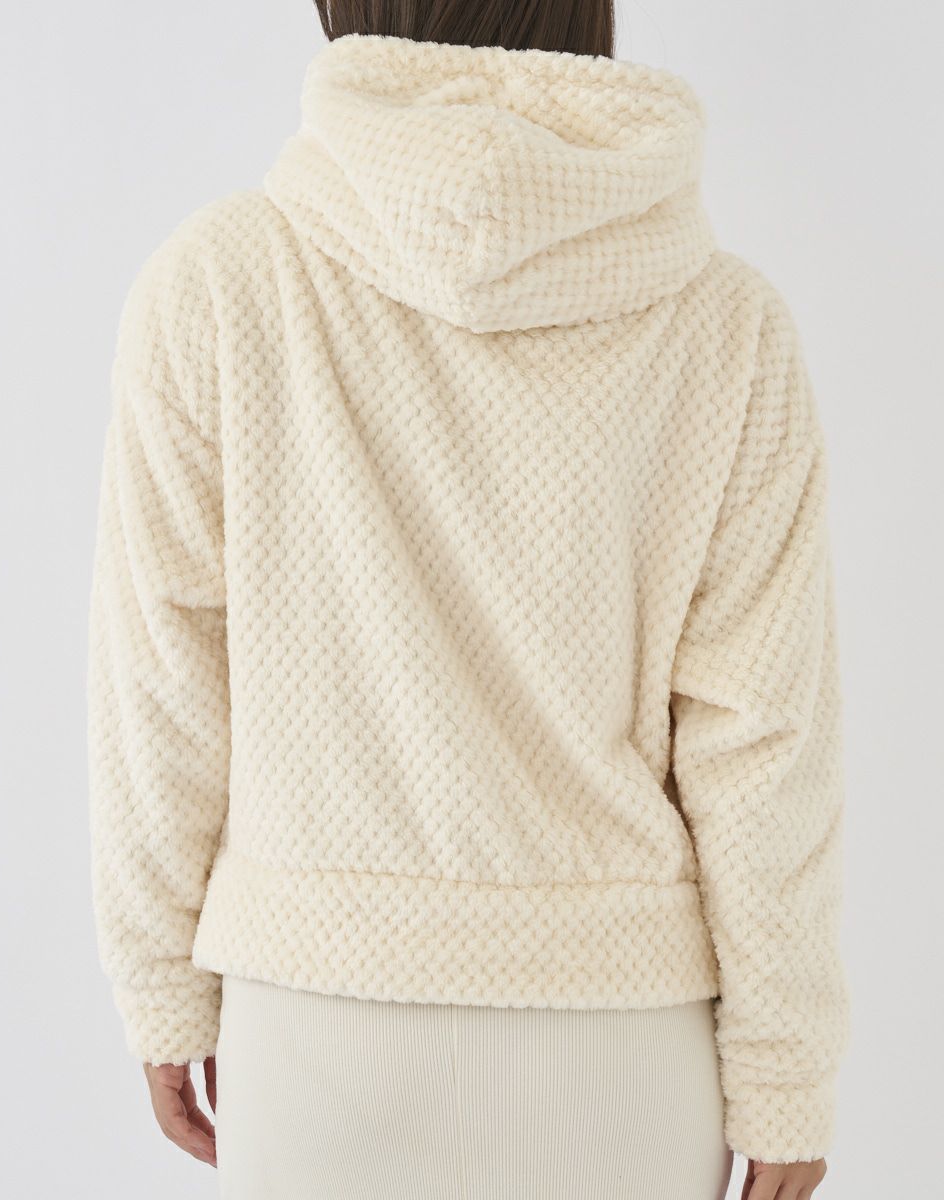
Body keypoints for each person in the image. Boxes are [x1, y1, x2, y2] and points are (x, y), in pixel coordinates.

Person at [85, 3, 850, 1198]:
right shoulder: (729, 324)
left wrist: (159, 982)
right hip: (621, 1039)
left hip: (318, 1024)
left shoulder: (220, 282)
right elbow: (761, 741)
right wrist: (785, 1074)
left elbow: (163, 680)